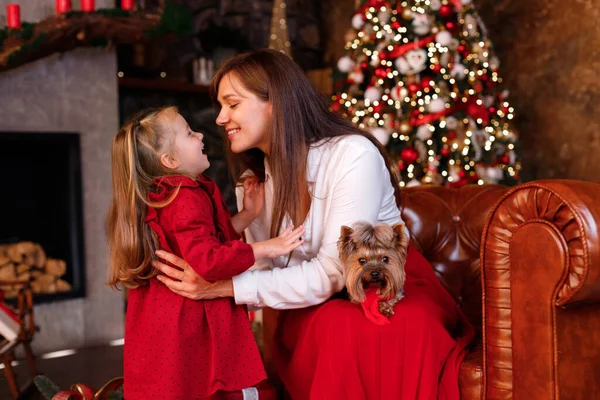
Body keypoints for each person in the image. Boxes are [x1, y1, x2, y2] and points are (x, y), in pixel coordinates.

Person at [152, 50, 475, 399]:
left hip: (385, 284)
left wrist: (221, 287)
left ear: (274, 102)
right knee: (327, 325)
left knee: (352, 329)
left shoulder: (352, 154)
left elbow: (335, 272)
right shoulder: (257, 177)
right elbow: (260, 264)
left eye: (232, 104)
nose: (219, 118)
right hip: (314, 301)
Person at [106, 106, 305, 399]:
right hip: (186, 320)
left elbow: (206, 241)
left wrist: (248, 215)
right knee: (198, 387)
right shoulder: (185, 196)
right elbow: (208, 260)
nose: (200, 134)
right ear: (170, 160)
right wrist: (267, 247)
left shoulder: (169, 192)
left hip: (162, 318)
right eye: (189, 132)